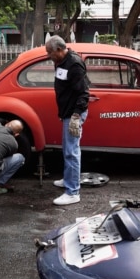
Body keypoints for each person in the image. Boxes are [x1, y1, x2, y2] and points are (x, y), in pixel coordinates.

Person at [45, 35, 89, 206]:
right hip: (66, 113)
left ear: (59, 49)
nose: (49, 55)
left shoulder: (74, 64)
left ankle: (73, 192)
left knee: (72, 152)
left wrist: (76, 117)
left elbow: (84, 93)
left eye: (50, 52)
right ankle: (69, 179)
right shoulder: (61, 62)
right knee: (67, 150)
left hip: (73, 114)